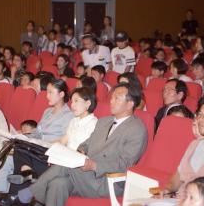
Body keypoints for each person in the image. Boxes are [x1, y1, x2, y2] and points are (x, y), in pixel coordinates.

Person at [10, 82, 147, 206]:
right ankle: (30, 194)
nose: (111, 101)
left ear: (130, 104)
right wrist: (81, 151)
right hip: (85, 176)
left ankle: (28, 193)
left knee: (69, 164)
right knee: (58, 183)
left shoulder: (137, 129)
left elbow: (125, 164)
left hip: (106, 181)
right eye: (112, 97)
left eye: (117, 98)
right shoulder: (104, 121)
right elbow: (87, 144)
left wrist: (94, 165)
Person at [0, 79, 74, 205]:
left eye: (50, 92)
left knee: (7, 159)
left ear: (61, 95)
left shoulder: (68, 116)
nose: (47, 95)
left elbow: (64, 141)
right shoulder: (47, 112)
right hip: (34, 148)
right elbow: (38, 132)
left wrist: (37, 141)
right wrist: (23, 135)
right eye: (47, 92)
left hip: (48, 152)